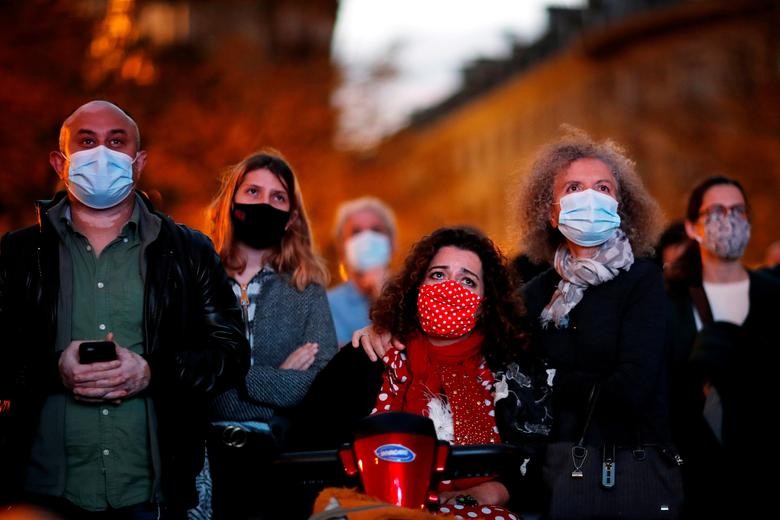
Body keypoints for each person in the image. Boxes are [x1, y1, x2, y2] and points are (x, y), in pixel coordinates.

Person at [0, 100, 250, 519]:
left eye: (116, 142)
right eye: (87, 141)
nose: (102, 153)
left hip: (150, 494)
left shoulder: (187, 252)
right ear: (61, 163)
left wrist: (153, 371)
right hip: (39, 494)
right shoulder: (17, 254)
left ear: (138, 162)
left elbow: (230, 353)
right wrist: (53, 368)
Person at [292, 226, 552, 518]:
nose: (449, 287)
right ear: (416, 288)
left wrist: (481, 494)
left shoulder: (509, 373)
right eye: (438, 275)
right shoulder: (368, 356)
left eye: (467, 280)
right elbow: (305, 446)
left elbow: (534, 463)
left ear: (485, 305)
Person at [512, 129, 677, 514]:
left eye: (603, 187)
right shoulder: (533, 295)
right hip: (556, 476)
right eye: (573, 188)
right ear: (551, 213)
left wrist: (557, 379)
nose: (590, 197)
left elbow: (633, 387)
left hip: (633, 467)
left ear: (621, 204)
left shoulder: (644, 279)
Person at [203, 150, 338, 519]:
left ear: (292, 216)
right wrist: (280, 376)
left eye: (277, 197)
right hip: (203, 462)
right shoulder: (198, 278)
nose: (264, 203)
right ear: (231, 201)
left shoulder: (306, 287)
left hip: (281, 460)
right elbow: (191, 378)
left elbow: (320, 386)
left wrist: (233, 375)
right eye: (253, 192)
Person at [665, 176, 780, 516]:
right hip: (694, 477)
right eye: (715, 210)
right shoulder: (669, 300)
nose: (728, 219)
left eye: (737, 210)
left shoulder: (773, 294)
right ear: (692, 227)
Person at [327, 197, 397, 345]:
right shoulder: (328, 305)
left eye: (376, 230)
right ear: (341, 249)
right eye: (356, 232)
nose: (367, 238)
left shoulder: (417, 295)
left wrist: (384, 296)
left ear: (392, 243)